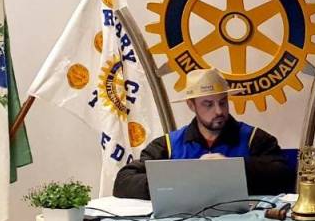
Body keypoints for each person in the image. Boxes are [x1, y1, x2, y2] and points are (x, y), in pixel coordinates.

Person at [113, 68, 294, 199]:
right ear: (191, 105)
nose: (219, 111)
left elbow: (285, 177)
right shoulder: (167, 145)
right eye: (208, 104)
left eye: (222, 102)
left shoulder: (255, 139)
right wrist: (182, 178)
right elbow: (123, 182)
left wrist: (232, 168)